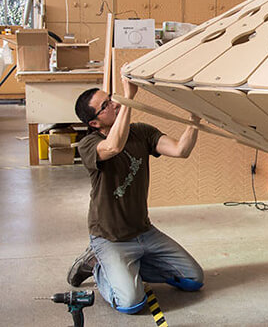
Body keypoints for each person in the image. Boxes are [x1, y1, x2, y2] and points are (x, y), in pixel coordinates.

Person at [67, 78, 204, 314]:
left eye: (111, 97)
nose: (114, 103)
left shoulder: (142, 132)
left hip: (144, 232)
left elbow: (180, 150)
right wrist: (129, 98)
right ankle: (99, 265)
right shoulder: (89, 144)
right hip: (110, 238)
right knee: (131, 303)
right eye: (107, 104)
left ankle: (125, 268)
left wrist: (195, 119)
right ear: (94, 122)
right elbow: (113, 147)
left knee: (193, 279)